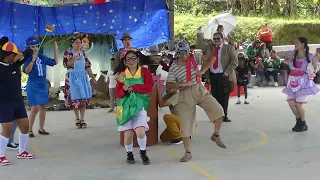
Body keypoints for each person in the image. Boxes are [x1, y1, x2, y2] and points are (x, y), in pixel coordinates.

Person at [166, 41, 226, 162]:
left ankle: (216, 135)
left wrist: (203, 70)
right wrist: (182, 84)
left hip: (199, 89)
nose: (184, 56)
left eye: (186, 53)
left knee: (219, 111)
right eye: (181, 54)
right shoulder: (174, 66)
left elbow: (212, 58)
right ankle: (188, 152)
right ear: (177, 54)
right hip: (185, 94)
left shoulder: (195, 56)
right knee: (185, 125)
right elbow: (169, 85)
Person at [115, 50, 153, 165]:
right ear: (125, 62)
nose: (131, 61)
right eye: (128, 59)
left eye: (133, 58)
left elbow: (149, 87)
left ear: (137, 59)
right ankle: (129, 153)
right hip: (125, 107)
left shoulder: (144, 72)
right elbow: (118, 93)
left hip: (139, 105)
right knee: (128, 134)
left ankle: (143, 152)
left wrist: (134, 87)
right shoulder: (122, 75)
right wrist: (124, 90)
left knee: (140, 131)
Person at [0, 42, 36, 166]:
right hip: (4, 103)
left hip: (18, 101)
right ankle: (1, 155)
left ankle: (22, 152)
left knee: (25, 126)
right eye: (14, 55)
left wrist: (32, 49)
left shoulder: (15, 64)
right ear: (8, 55)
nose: (16, 57)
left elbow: (28, 53)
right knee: (7, 129)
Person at [23, 37, 59, 138]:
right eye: (32, 46)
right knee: (35, 107)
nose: (35, 48)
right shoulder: (27, 58)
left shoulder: (42, 57)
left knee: (43, 107)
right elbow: (26, 71)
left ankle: (41, 128)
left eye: (36, 46)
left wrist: (56, 49)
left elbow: (55, 62)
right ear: (28, 48)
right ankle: (29, 130)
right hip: (33, 85)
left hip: (42, 84)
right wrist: (32, 61)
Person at [282, 37, 320, 132]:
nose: (295, 44)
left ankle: (302, 123)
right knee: (291, 103)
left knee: (299, 104)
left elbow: (315, 66)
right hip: (293, 81)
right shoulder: (292, 54)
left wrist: (315, 62)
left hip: (304, 82)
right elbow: (277, 53)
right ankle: (299, 121)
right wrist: (286, 55)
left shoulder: (310, 56)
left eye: (297, 43)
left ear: (303, 44)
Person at [63, 33, 97, 129]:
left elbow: (87, 67)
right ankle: (77, 118)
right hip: (72, 77)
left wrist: (93, 77)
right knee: (75, 98)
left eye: (80, 42)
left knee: (83, 98)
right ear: (72, 44)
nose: (78, 44)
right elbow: (66, 64)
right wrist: (74, 59)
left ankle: (82, 119)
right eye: (76, 42)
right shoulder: (68, 53)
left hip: (82, 77)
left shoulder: (83, 53)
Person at [204, 32, 238, 122]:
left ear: (222, 39)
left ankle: (224, 115)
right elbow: (200, 45)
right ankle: (216, 116)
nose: (216, 41)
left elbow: (234, 61)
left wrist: (227, 72)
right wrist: (199, 33)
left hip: (224, 75)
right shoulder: (210, 47)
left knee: (224, 97)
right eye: (214, 39)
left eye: (218, 38)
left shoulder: (229, 48)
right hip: (213, 75)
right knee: (214, 97)